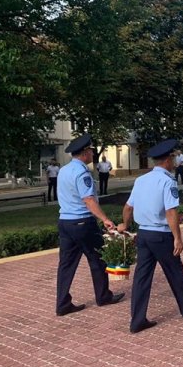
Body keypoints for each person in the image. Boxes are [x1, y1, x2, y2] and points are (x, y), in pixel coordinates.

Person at [118, 138, 183, 333]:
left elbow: (128, 207)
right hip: (161, 235)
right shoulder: (168, 181)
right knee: (175, 272)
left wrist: (124, 224)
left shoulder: (141, 180)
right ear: (167, 160)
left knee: (142, 278)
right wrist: (178, 237)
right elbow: (171, 212)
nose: (175, 161)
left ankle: (137, 320)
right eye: (174, 158)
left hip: (143, 235)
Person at [56, 134, 125, 316]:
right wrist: (105, 219)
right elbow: (88, 200)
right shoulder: (82, 173)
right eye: (91, 151)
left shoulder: (64, 170)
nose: (93, 154)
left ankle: (62, 303)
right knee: (98, 259)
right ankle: (103, 296)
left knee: (66, 264)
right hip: (82, 222)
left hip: (65, 222)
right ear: (85, 153)